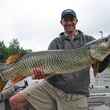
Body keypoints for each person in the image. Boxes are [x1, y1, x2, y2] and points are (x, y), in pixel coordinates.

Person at [9, 9, 110, 110]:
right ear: (61, 22)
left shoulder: (89, 40)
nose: (69, 22)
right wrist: (41, 75)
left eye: (72, 19)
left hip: (75, 94)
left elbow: (99, 68)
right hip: (52, 88)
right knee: (15, 101)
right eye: (66, 20)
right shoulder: (55, 42)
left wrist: (107, 55)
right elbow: (48, 72)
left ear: (76, 21)